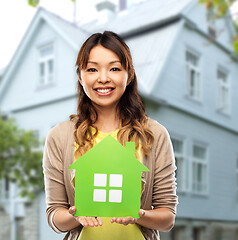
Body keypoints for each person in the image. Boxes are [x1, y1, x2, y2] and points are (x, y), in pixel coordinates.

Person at [42, 31, 178, 240]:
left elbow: (167, 217)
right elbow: (54, 215)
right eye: (92, 69)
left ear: (129, 74)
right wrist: (76, 216)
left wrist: (138, 215)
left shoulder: (154, 135)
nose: (103, 78)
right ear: (80, 76)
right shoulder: (60, 137)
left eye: (114, 68)